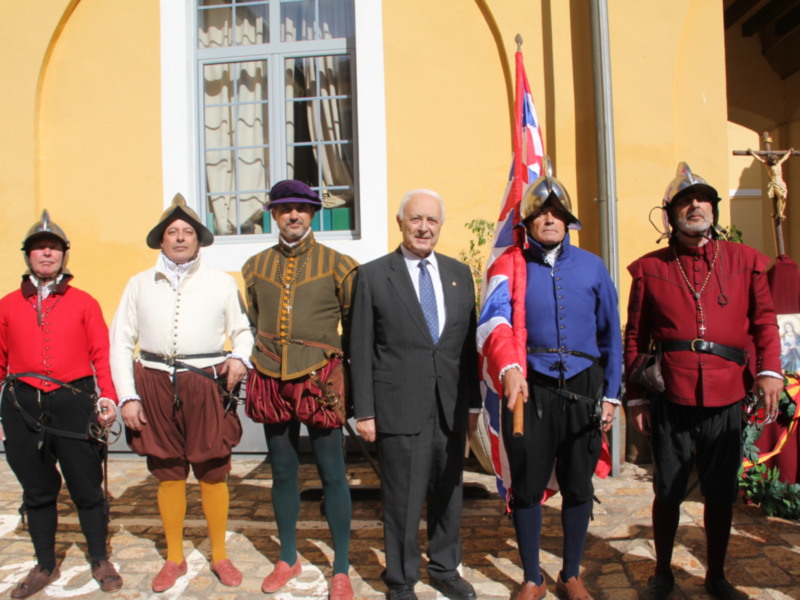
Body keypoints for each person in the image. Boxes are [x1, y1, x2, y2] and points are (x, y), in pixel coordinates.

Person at [625, 162, 783, 600]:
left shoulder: (746, 261)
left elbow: (765, 323)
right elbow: (635, 337)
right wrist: (636, 399)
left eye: (703, 200)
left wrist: (770, 372)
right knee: (668, 489)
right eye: (684, 201)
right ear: (670, 213)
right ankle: (662, 573)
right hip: (671, 392)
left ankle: (716, 575)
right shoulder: (650, 269)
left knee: (719, 491)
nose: (695, 206)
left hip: (728, 391)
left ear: (713, 208)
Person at [478, 158, 621, 600]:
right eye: (542, 213)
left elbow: (611, 334)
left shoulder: (594, 267)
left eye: (557, 213)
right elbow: (493, 323)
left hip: (584, 388)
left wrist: (612, 394)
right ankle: (531, 577)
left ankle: (571, 573)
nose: (550, 219)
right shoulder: (510, 265)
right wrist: (511, 368)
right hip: (529, 388)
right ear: (528, 221)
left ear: (568, 221)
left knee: (579, 484)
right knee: (526, 484)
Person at [109, 194, 254, 592]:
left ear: (199, 240)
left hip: (205, 383)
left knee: (211, 470)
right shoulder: (138, 284)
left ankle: (220, 555)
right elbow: (120, 342)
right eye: (172, 232)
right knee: (168, 471)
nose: (179, 238)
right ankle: (174, 556)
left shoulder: (222, 283)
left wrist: (240, 358)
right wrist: (128, 396)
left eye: (187, 232)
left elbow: (243, 331)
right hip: (153, 383)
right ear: (161, 240)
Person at [350, 189, 481, 600]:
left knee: (449, 492)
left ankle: (444, 567)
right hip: (398, 406)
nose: (424, 227)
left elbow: (466, 346)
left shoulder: (460, 275)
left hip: (450, 406)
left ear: (440, 226)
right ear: (400, 223)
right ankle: (402, 579)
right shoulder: (373, 276)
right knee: (402, 501)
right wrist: (365, 412)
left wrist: (473, 404)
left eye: (432, 221)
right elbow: (360, 347)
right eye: (416, 219)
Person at [242, 180, 358, 600]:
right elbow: (255, 320)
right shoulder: (254, 267)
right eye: (285, 208)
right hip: (270, 375)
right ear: (273, 214)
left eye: (302, 209)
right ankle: (288, 556)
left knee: (333, 473)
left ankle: (341, 567)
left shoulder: (339, 265)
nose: (293, 215)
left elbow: (353, 325)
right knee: (283, 472)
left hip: (320, 380)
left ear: (313, 214)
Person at [0, 211, 122, 598]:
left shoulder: (85, 302)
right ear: (28, 257)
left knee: (86, 487)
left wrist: (108, 399)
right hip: (22, 406)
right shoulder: (5, 305)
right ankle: (44, 564)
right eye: (39, 249)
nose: (46, 254)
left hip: (74, 401)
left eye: (53, 248)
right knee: (36, 490)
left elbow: (101, 354)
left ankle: (100, 558)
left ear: (64, 256)